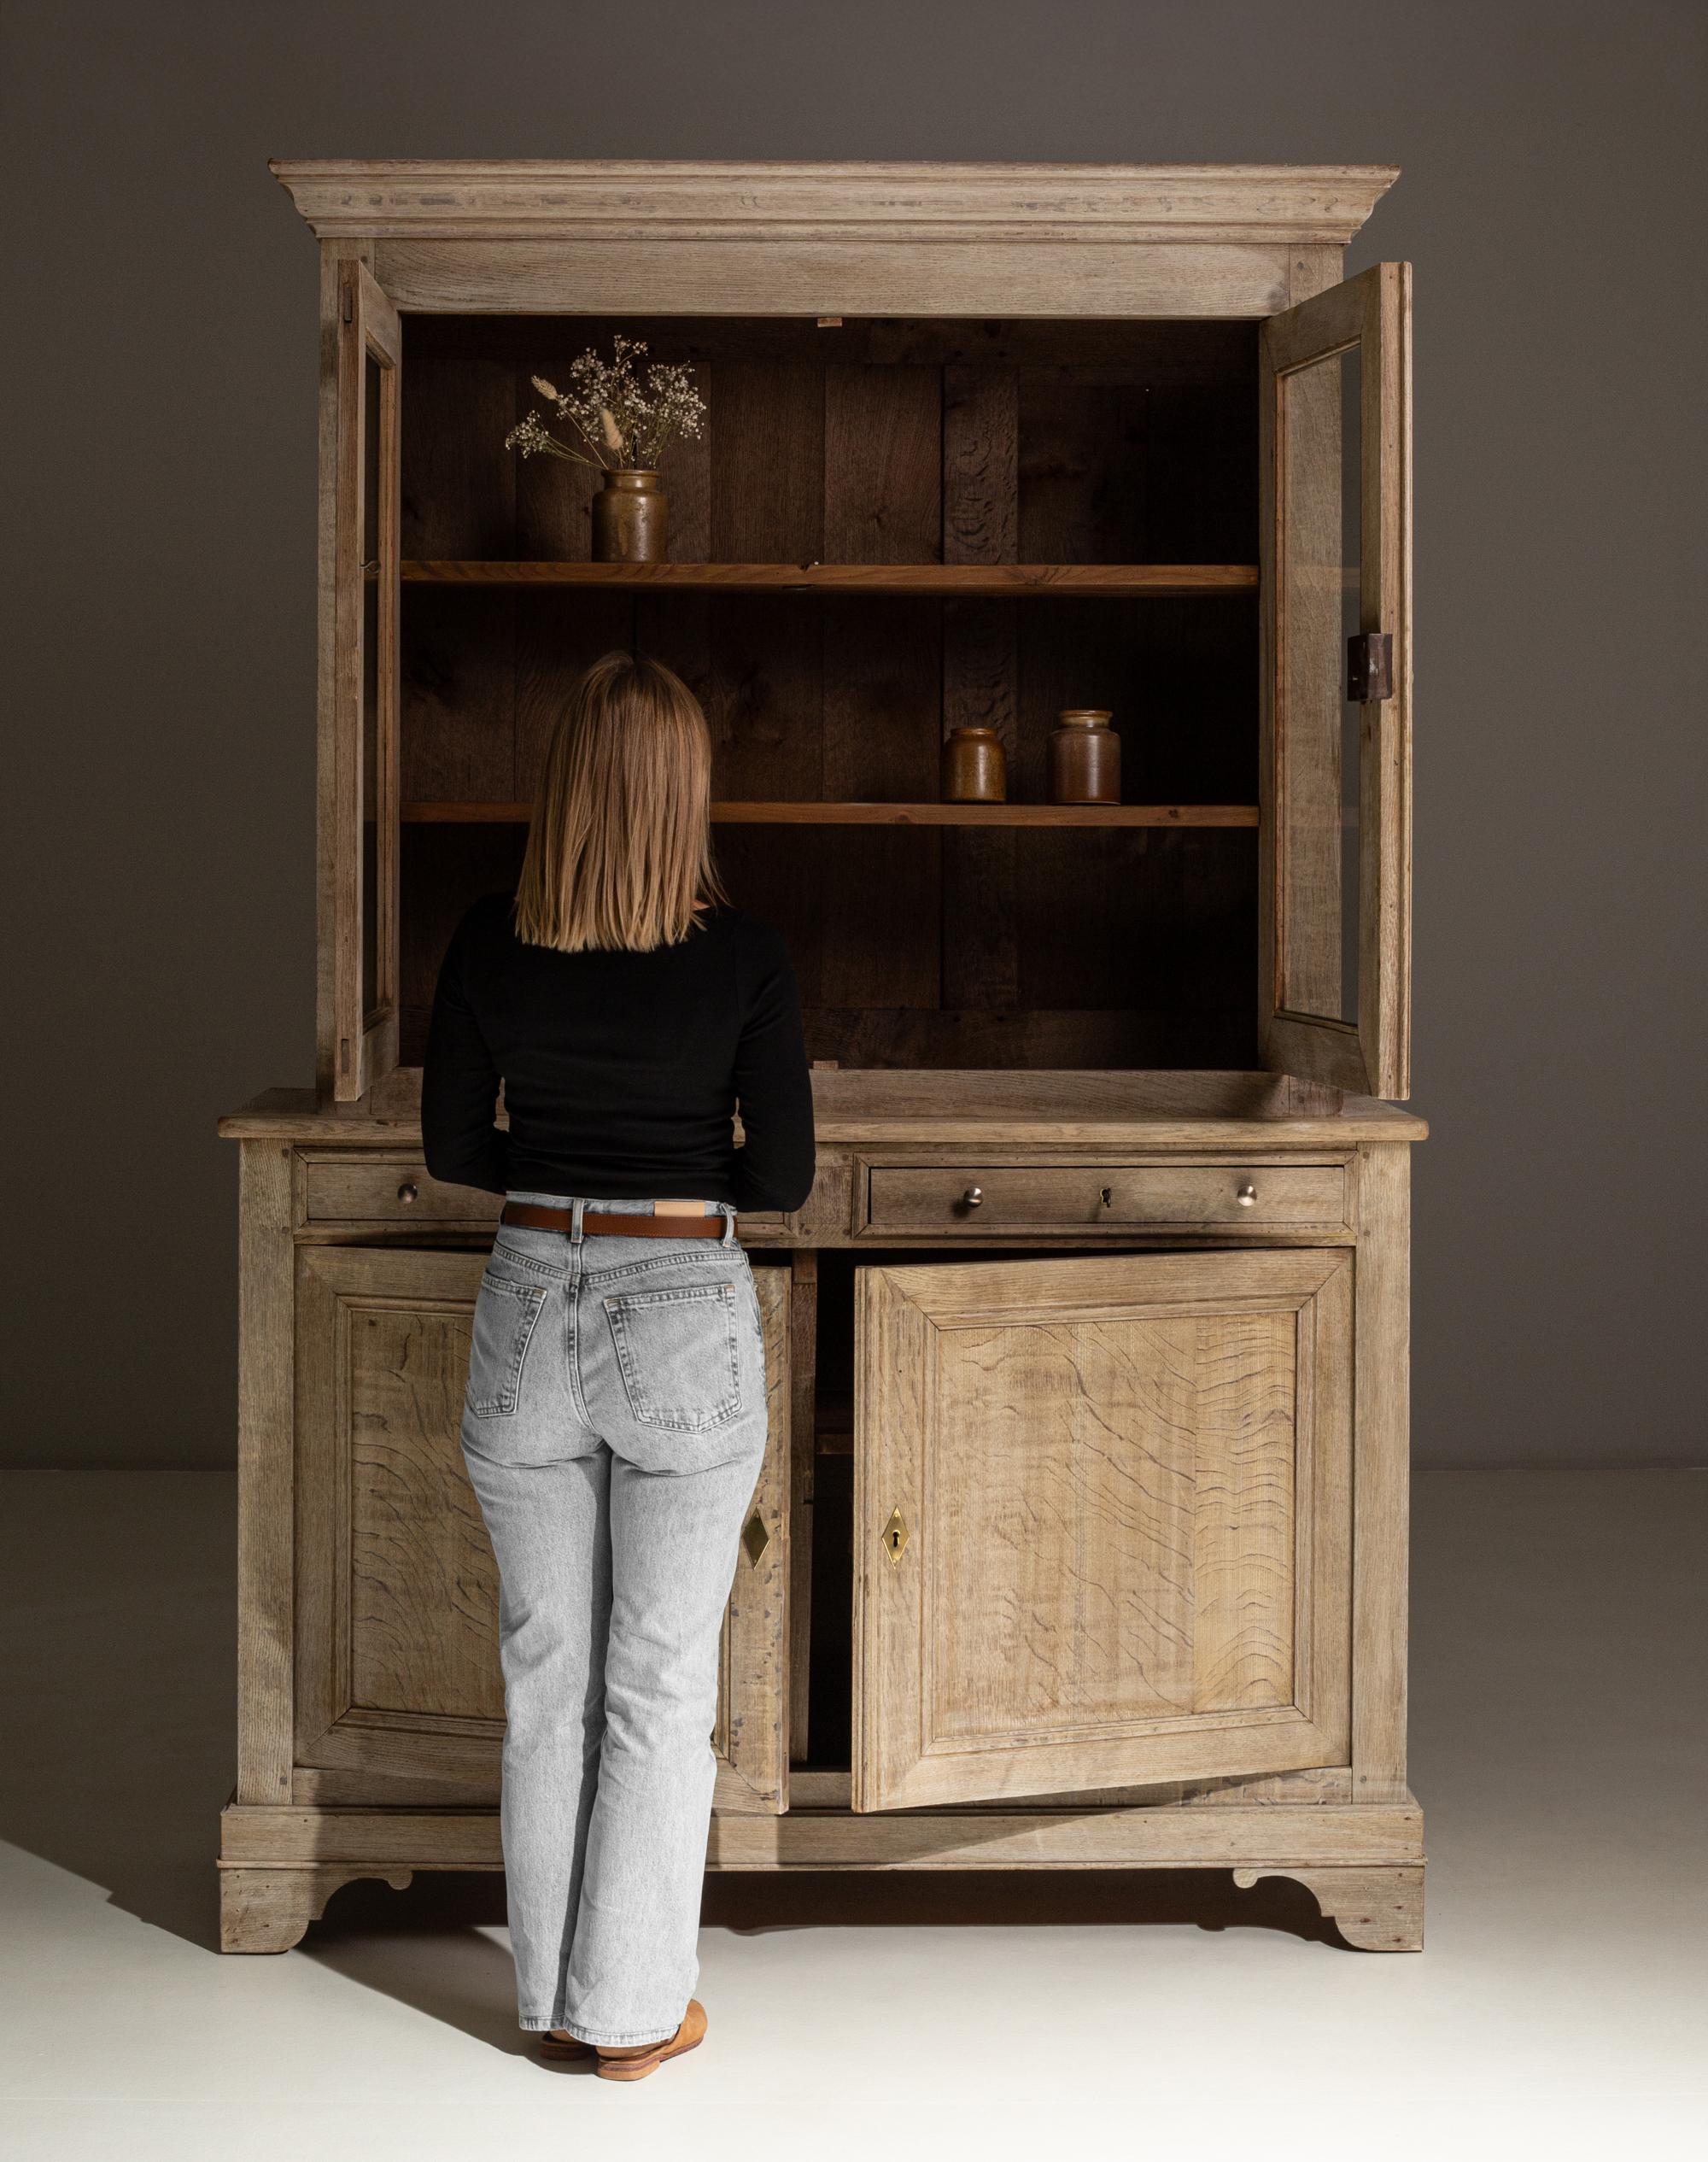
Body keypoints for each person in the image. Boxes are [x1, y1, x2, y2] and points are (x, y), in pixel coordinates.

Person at [422, 650, 815, 2081]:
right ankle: (633, 2015)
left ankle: (549, 2001)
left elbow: (456, 1152)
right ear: (686, 792)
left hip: (530, 1296)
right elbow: (781, 1178)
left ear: (564, 787)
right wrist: (660, 1169)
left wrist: (569, 1178)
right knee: (657, 1680)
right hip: (682, 1310)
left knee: (546, 1674)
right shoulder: (746, 958)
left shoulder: (484, 941)